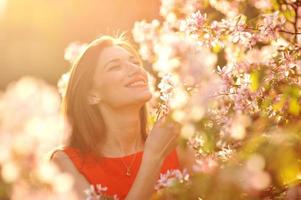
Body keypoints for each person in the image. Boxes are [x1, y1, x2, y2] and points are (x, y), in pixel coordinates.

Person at [50, 34, 195, 200]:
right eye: (115, 67)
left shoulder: (176, 145)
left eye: (135, 62)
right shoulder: (66, 163)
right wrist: (153, 158)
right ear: (92, 95)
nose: (136, 69)